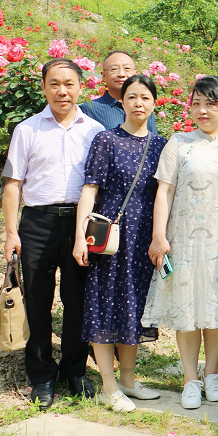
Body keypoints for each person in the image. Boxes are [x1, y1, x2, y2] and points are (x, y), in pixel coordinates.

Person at [2, 58, 104, 409]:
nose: (63, 90)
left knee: (78, 302)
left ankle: (75, 371)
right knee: (39, 303)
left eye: (69, 83)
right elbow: (13, 185)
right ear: (44, 87)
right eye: (55, 83)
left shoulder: (93, 131)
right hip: (37, 224)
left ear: (80, 87)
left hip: (79, 225)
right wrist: (11, 232)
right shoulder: (27, 130)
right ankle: (42, 377)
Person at [144, 76, 218, 409]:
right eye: (196, 103)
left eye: (211, 104)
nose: (202, 110)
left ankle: (212, 372)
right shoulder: (179, 143)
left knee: (216, 306)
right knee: (187, 307)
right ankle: (190, 378)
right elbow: (165, 190)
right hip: (184, 239)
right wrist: (159, 235)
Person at [73, 75, 167, 412]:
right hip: (110, 235)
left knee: (135, 308)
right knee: (104, 305)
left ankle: (127, 378)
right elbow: (90, 189)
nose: (138, 103)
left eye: (145, 97)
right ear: (122, 103)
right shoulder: (106, 140)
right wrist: (80, 237)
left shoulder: (161, 145)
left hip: (145, 237)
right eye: (132, 97)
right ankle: (109, 385)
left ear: (155, 102)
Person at [80, 50, 159, 134]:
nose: (121, 74)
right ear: (103, 76)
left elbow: (154, 143)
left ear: (135, 74)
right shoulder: (89, 109)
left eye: (127, 69)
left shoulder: (142, 108)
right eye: (114, 69)